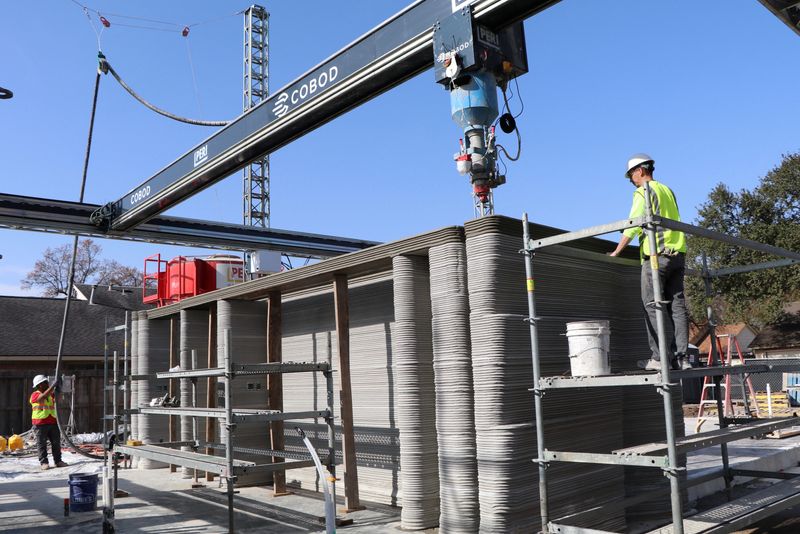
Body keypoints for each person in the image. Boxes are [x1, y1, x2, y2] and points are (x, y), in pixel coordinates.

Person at [609, 154, 690, 371]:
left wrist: (617, 251)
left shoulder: (643, 191)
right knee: (677, 306)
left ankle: (660, 358)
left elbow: (635, 224)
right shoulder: (667, 190)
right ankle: (682, 359)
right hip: (678, 253)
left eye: (631, 176)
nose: (631, 181)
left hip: (657, 256)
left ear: (640, 171)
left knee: (652, 305)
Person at [30, 374, 68, 470]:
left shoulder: (51, 394)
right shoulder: (35, 395)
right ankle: (44, 462)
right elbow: (41, 398)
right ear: (39, 385)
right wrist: (53, 386)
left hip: (53, 422)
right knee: (41, 444)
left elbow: (59, 400)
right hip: (40, 424)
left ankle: (58, 461)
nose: (48, 384)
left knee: (56, 443)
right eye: (45, 383)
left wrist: (59, 388)